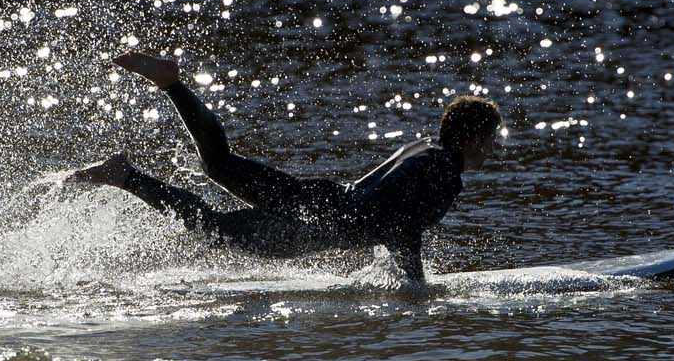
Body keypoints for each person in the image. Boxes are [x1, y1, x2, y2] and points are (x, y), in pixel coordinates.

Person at [67, 52, 502, 282]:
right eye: (490, 140)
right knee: (213, 228)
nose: (492, 149)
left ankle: (171, 83)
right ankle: (125, 176)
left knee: (218, 163)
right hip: (317, 224)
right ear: (469, 138)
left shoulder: (423, 148)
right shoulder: (448, 173)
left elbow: (383, 208)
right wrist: (415, 285)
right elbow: (401, 223)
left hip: (318, 199)